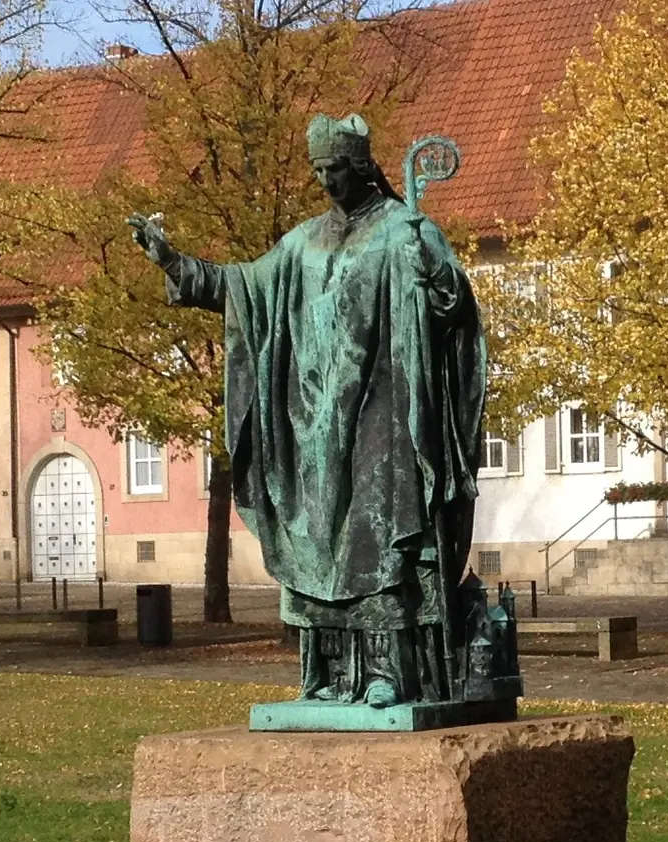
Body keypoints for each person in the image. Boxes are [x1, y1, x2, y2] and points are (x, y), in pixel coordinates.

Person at [129, 112, 486, 707]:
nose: (326, 181)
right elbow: (242, 287)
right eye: (319, 170)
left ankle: (389, 674)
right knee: (317, 541)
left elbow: (454, 310)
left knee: (378, 541)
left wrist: (434, 271)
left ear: (361, 166)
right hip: (315, 423)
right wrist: (173, 262)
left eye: (335, 169)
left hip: (384, 416)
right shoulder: (302, 243)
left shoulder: (404, 230)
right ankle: (325, 675)